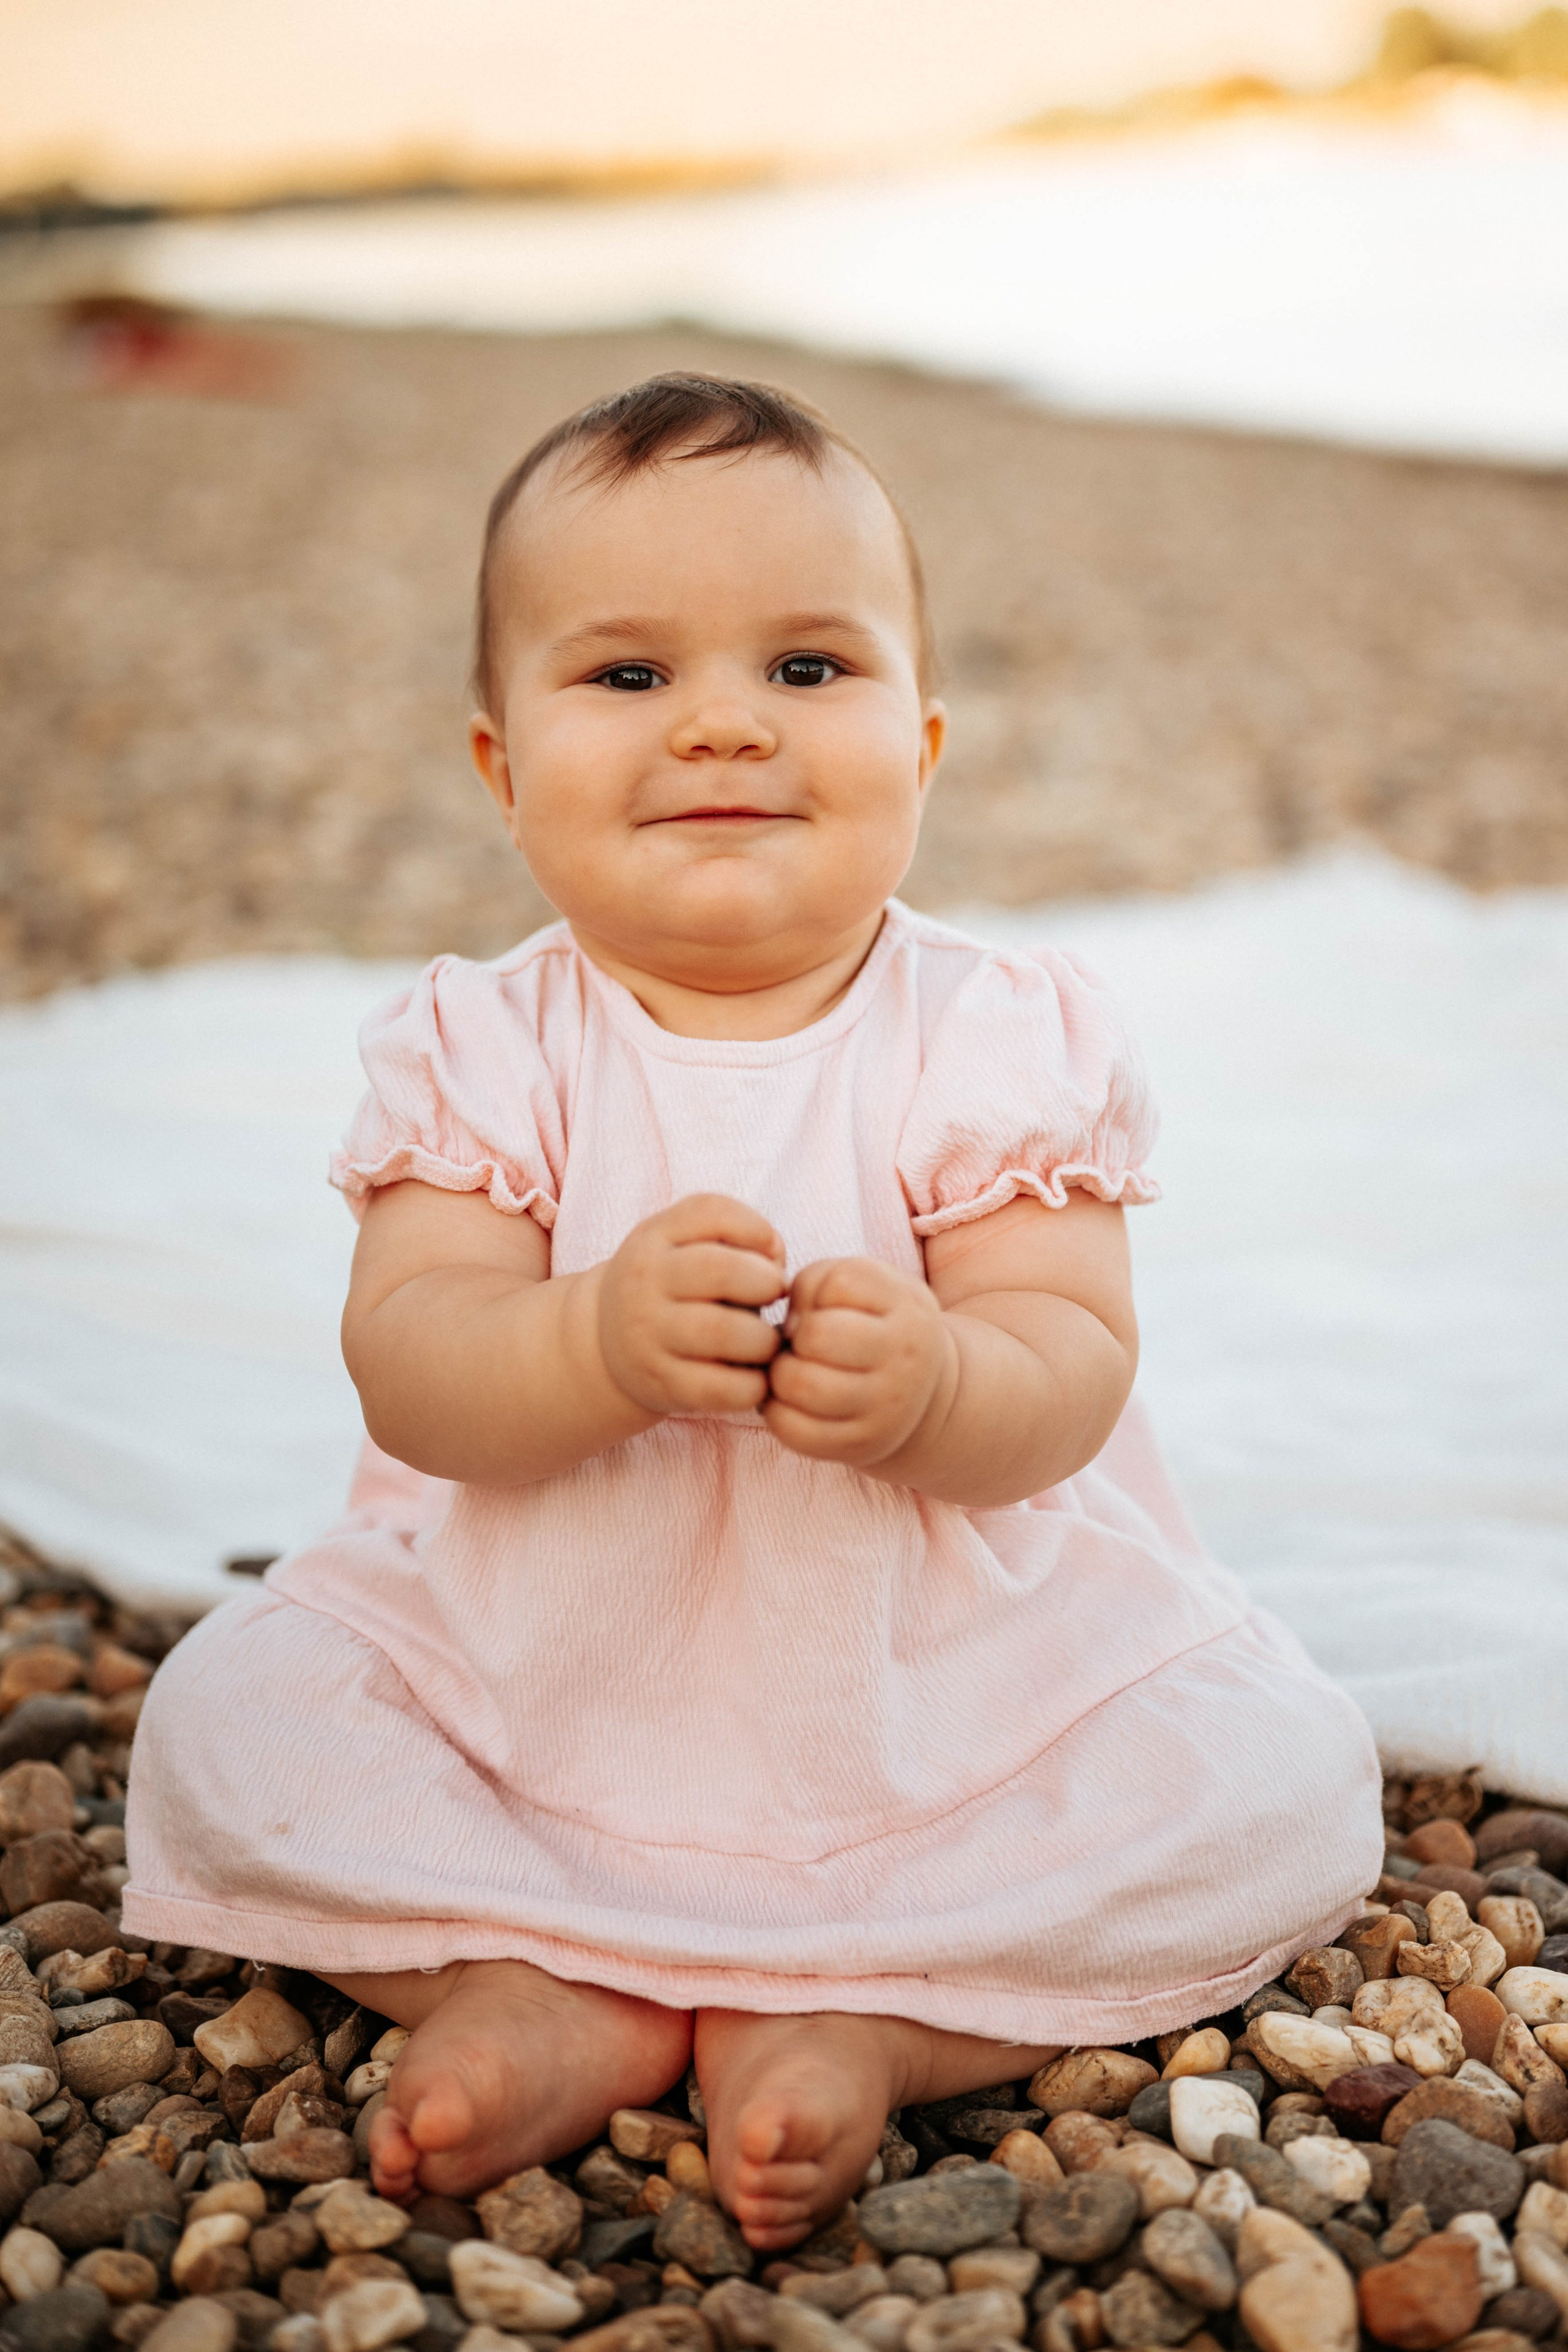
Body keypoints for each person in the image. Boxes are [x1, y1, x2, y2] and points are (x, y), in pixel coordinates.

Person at [124, 373, 1383, 2249]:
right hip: (532, 1677)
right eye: (627, 677)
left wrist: (946, 1383)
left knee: (1284, 1784)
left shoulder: (986, 1040)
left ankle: (870, 2018)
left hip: (947, 1687)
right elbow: (410, 1366)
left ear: (926, 741)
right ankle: (570, 1988)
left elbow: (1075, 1364)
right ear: (500, 769)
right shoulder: (487, 1046)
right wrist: (584, 1345)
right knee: (221, 1731)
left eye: (807, 668)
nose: (721, 720)